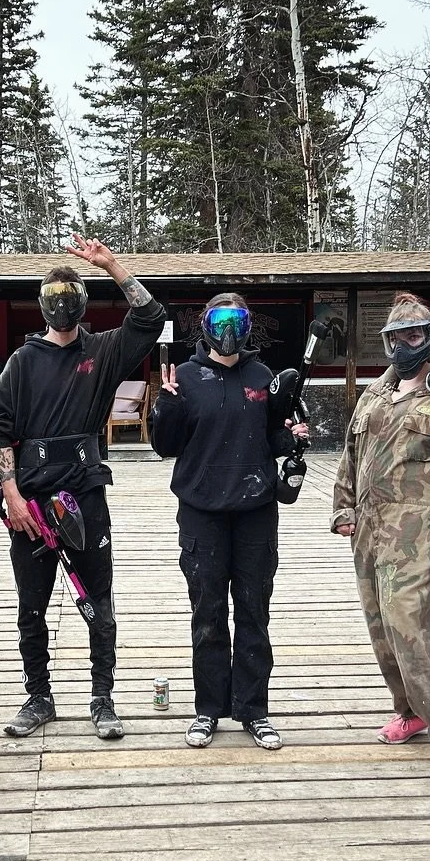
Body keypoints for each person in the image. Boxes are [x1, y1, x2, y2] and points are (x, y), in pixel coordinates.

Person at [0, 233, 167, 741]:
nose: (63, 307)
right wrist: (12, 495)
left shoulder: (102, 351)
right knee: (31, 604)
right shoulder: (23, 361)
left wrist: (112, 266)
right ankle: (38, 696)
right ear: (42, 306)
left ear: (83, 304)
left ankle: (102, 697)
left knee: (98, 599)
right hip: (32, 503)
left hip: (84, 495)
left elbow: (151, 319)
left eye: (71, 298)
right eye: (54, 299)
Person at [330, 292, 430, 778]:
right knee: (383, 630)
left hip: (423, 532)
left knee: (419, 631)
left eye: (414, 336)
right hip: (370, 529)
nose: (404, 345)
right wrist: (342, 508)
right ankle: (413, 711)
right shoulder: (375, 394)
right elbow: (350, 455)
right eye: (395, 337)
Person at [149, 293, 308, 750]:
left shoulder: (263, 377)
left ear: (246, 325)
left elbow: (271, 436)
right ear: (205, 325)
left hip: (256, 512)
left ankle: (253, 709)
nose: (228, 329)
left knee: (255, 613)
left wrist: (292, 436)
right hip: (202, 514)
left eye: (236, 319)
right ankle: (209, 710)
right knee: (209, 614)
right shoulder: (184, 377)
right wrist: (166, 405)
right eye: (219, 319)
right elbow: (165, 445)